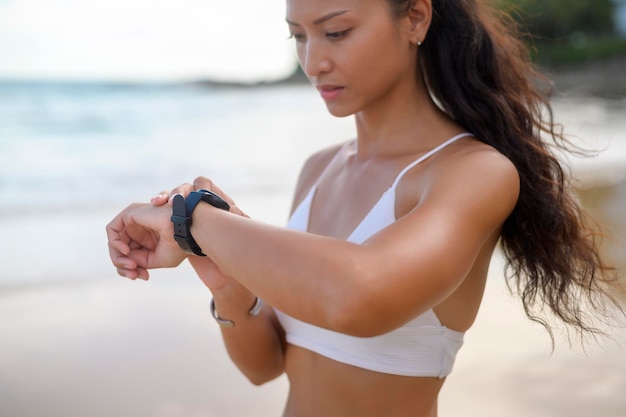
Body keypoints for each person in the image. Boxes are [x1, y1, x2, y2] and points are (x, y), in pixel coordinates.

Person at [106, 0, 622, 415]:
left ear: (415, 18)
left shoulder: (474, 172)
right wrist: (229, 286)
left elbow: (357, 298)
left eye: (336, 32)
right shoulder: (318, 169)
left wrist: (192, 217)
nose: (313, 62)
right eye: (299, 36)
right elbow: (265, 366)